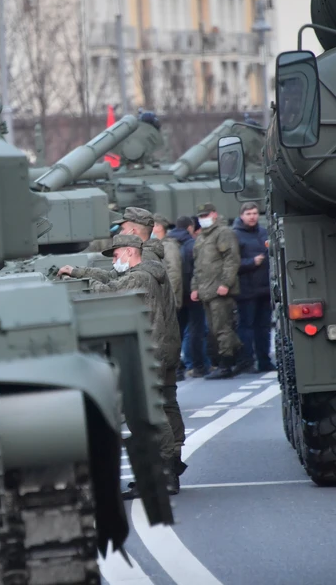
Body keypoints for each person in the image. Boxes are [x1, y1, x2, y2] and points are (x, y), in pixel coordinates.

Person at [58, 233, 183, 495]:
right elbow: (113, 278)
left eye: (115, 255)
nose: (114, 261)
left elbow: (110, 289)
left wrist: (85, 280)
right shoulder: (147, 272)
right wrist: (77, 270)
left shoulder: (140, 277)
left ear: (128, 251)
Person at [137, 238, 187, 493]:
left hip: (155, 346)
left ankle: (165, 469)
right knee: (166, 402)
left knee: (153, 408)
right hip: (167, 343)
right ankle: (172, 462)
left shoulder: (143, 269)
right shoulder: (154, 263)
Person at [191, 202, 245, 379]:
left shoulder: (224, 233)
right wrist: (195, 287)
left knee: (222, 328)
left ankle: (226, 365)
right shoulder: (201, 238)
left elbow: (231, 259)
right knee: (214, 330)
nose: (203, 219)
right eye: (201, 217)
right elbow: (197, 266)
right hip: (206, 290)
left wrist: (226, 283)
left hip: (220, 290)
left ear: (214, 214)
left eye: (206, 215)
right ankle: (242, 356)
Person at [232, 202, 274, 372]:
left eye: (255, 213)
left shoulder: (263, 233)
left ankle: (265, 361)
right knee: (246, 327)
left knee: (264, 328)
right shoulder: (235, 235)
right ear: (242, 215)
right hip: (246, 289)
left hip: (264, 288)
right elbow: (231, 263)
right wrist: (251, 262)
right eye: (249, 213)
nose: (252, 216)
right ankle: (247, 360)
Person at [169, 216, 210, 378]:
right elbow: (199, 270)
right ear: (190, 227)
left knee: (176, 333)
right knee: (196, 331)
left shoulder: (167, 244)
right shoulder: (192, 244)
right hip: (192, 295)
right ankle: (198, 366)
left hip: (175, 295)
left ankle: (178, 368)